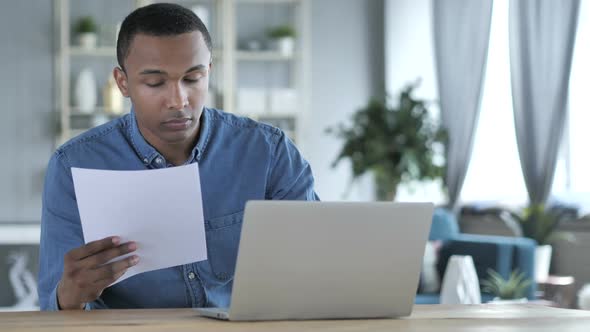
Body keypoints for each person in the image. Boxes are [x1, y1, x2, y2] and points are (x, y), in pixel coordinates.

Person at [38, 3, 319, 311]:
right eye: (155, 82)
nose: (178, 100)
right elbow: (54, 307)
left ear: (209, 72)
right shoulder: (73, 165)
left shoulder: (270, 152)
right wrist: (70, 293)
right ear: (123, 83)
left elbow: (317, 267)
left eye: (192, 78)